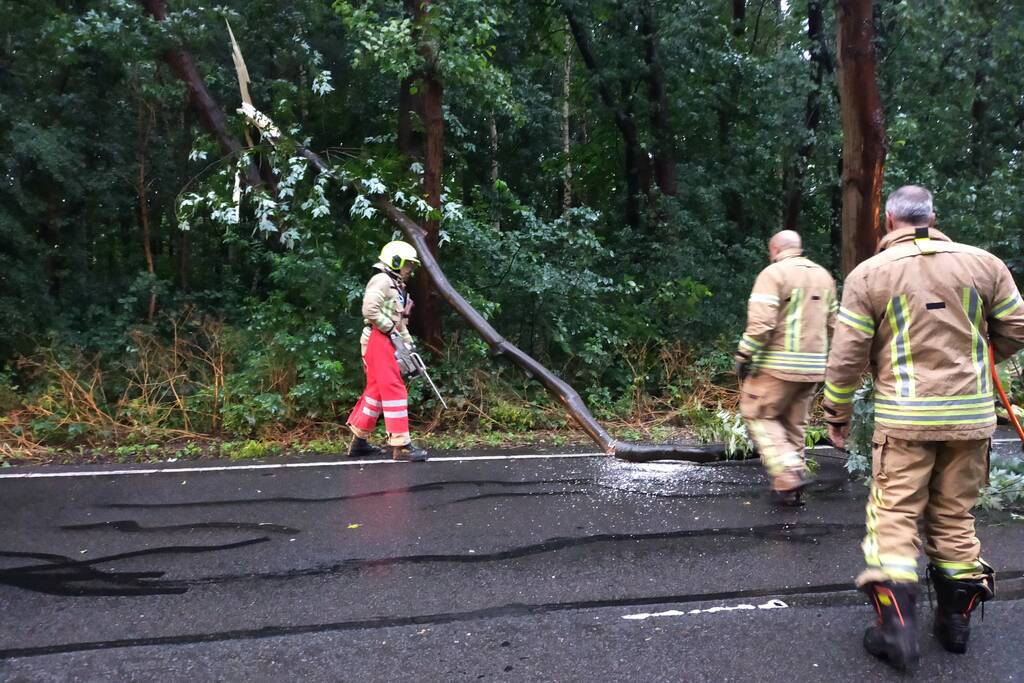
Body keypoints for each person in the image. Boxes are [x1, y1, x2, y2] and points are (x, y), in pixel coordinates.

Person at [824, 185, 1024, 671]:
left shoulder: (869, 275)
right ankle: (954, 625)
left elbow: (847, 356)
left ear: (889, 220)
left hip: (904, 422)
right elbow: (1016, 328)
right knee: (955, 516)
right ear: (933, 216)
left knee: (893, 516)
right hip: (971, 419)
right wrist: (976, 360)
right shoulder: (985, 264)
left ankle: (897, 629)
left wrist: (837, 414)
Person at [736, 230, 837, 505]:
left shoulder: (774, 274)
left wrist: (744, 354)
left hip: (777, 366)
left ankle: (789, 471)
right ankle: (790, 490)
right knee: (794, 425)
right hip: (814, 368)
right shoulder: (823, 276)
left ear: (774, 248)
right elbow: (835, 324)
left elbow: (762, 324)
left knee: (758, 414)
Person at [346, 241, 428, 462]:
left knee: (376, 391)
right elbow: (369, 310)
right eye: (408, 264)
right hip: (378, 339)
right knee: (394, 389)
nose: (410, 269)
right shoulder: (381, 280)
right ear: (395, 261)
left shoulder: (396, 285)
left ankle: (359, 442)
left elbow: (398, 323)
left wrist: (408, 343)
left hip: (388, 339)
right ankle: (400, 446)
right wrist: (391, 330)